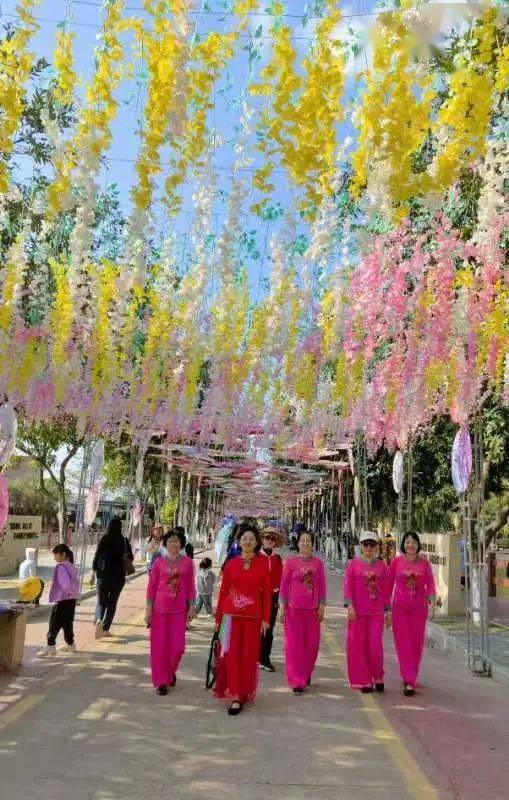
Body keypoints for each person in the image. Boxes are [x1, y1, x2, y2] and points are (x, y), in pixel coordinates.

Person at [214, 523, 271, 716]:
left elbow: (267, 594)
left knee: (248, 656)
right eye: (244, 538)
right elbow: (223, 592)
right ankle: (236, 694)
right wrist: (218, 616)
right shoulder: (231, 564)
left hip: (253, 618)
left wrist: (265, 619)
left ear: (257, 543)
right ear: (239, 541)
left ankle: (244, 691)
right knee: (231, 655)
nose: (247, 542)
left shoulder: (264, 563)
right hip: (231, 618)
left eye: (251, 539)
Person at [145, 529, 196, 695]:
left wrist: (192, 606)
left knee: (178, 647)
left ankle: (169, 672)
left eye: (177, 541)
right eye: (170, 541)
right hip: (159, 610)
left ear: (181, 544)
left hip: (179, 610)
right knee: (159, 647)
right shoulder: (158, 562)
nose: (174, 544)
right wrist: (148, 609)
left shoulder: (188, 563)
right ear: (165, 544)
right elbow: (151, 587)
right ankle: (161, 681)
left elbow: (190, 587)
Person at [386, 531, 436, 697]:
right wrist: (386, 607)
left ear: (418, 545)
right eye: (407, 542)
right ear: (403, 545)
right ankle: (409, 680)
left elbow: (430, 584)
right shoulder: (397, 562)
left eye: (414, 542)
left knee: (416, 644)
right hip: (399, 609)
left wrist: (432, 601)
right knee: (403, 644)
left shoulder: (424, 564)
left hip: (419, 610)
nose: (411, 545)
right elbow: (387, 584)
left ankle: (411, 674)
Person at [279, 529, 326, 693]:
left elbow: (322, 587)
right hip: (293, 610)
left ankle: (305, 672)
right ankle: (296, 680)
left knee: (311, 646)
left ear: (312, 543)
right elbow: (284, 586)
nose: (305, 543)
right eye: (302, 540)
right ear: (297, 543)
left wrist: (321, 606)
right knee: (293, 646)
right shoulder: (291, 562)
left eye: (308, 540)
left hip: (312, 611)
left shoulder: (318, 563)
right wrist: (282, 607)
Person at [343, 531, 389, 693]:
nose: (369, 548)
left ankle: (378, 675)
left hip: (376, 612)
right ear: (361, 546)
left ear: (376, 547)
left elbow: (386, 589)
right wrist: (350, 606)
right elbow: (348, 587)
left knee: (375, 646)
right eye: (365, 544)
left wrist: (388, 610)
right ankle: (364, 680)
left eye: (372, 544)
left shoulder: (381, 565)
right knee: (360, 647)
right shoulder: (353, 564)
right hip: (358, 613)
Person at [37, 544, 79, 657]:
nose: (54, 557)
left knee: (54, 623)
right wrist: (71, 593)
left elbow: (64, 582)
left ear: (63, 554)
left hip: (63, 599)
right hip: (72, 599)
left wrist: (68, 591)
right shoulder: (70, 565)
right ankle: (71, 644)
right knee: (67, 623)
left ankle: (50, 647)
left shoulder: (61, 567)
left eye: (56, 554)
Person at [92, 517, 129, 639]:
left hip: (102, 576)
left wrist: (93, 574)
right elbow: (130, 558)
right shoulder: (123, 541)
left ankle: (98, 619)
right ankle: (105, 629)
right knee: (112, 602)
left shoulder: (104, 539)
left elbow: (96, 556)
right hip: (118, 577)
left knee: (101, 602)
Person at [259, 527, 283, 672]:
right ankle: (255, 656)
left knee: (269, 628)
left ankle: (265, 658)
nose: (269, 541)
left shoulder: (277, 559)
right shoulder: (256, 557)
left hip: (273, 596)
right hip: (258, 596)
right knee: (255, 627)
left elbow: (282, 580)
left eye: (272, 539)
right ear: (262, 539)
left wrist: (281, 600)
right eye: (267, 537)